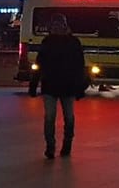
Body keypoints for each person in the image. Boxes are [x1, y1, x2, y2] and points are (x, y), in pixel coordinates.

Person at [37, 15, 87, 159]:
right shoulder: (47, 42)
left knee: (69, 117)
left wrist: (80, 85)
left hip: (67, 85)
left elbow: (79, 65)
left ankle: (67, 143)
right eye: (55, 25)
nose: (57, 27)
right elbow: (40, 64)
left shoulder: (73, 42)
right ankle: (50, 146)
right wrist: (34, 83)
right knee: (50, 117)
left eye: (60, 24)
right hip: (50, 85)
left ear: (65, 25)